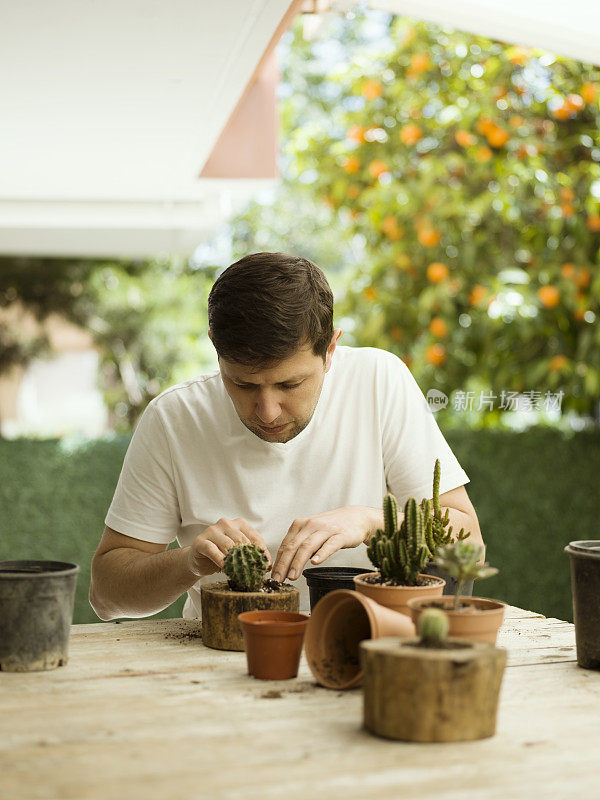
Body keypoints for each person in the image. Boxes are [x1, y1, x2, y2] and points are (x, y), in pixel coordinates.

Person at [89, 252, 483, 620]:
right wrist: (189, 561)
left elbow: (471, 546)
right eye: (242, 385)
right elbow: (106, 595)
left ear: (330, 349)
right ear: (215, 347)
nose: (267, 410)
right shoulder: (174, 417)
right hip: (218, 657)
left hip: (370, 642)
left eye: (290, 384)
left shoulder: (379, 379)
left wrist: (367, 522)